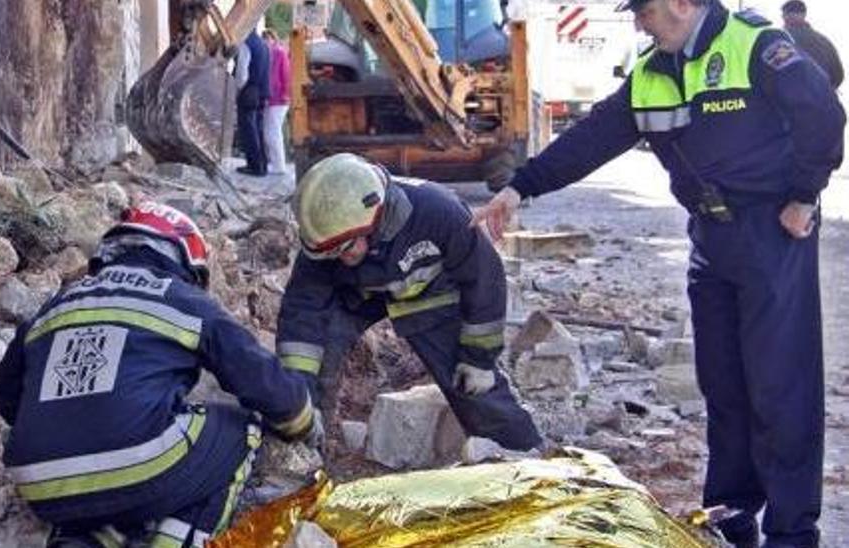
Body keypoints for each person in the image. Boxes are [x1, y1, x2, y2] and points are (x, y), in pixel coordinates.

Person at [471, 1, 845, 546]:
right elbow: (592, 138)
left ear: (679, 2)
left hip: (771, 233)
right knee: (724, 385)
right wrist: (518, 186)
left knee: (780, 386)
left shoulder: (754, 44)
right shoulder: (651, 73)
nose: (638, 22)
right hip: (711, 240)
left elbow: (823, 115)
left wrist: (803, 195)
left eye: (643, 10)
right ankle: (732, 515)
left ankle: (792, 531)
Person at [0, 201, 319, 548]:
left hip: (40, 483)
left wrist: (62, 425)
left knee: (111, 483)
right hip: (136, 468)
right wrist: (303, 421)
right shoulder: (181, 298)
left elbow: (3, 393)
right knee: (240, 429)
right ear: (185, 261)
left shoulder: (56, 304)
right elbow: (257, 375)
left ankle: (87, 538)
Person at [276, 153, 543, 457]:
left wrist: (479, 359)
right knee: (318, 350)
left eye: (347, 247)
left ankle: (523, 453)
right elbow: (302, 316)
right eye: (331, 253)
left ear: (374, 218)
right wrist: (297, 397)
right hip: (356, 295)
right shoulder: (329, 242)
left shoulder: (438, 213)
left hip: (428, 293)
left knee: (469, 380)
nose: (340, 257)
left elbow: (484, 281)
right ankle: (305, 455)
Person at [780, 0, 842, 89]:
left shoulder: (784, 40)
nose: (784, 19)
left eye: (785, 15)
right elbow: (838, 75)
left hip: (793, 97)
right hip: (823, 97)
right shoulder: (824, 40)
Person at [235, 31, 271, 176]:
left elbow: (242, 74)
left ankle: (254, 166)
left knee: (248, 130)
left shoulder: (246, 45)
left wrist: (237, 89)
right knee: (258, 129)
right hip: (262, 91)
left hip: (249, 91)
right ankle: (262, 164)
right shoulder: (263, 44)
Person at [262, 29, 292, 175]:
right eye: (265, 39)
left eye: (268, 38)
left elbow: (286, 74)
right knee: (271, 132)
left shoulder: (279, 53)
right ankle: (276, 163)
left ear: (273, 39)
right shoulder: (272, 53)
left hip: (279, 98)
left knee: (273, 132)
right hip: (273, 98)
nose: (266, 42)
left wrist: (286, 93)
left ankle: (279, 165)